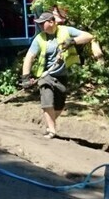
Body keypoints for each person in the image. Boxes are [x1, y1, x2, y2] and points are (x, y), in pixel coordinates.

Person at [21, 11, 93, 139]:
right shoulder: (39, 38)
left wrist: (73, 41)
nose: (40, 26)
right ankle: (52, 131)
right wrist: (25, 78)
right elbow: (29, 57)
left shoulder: (66, 31)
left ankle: (49, 124)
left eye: (42, 23)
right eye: (39, 24)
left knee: (59, 106)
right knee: (47, 101)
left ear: (51, 22)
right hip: (45, 75)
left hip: (61, 76)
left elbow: (88, 36)